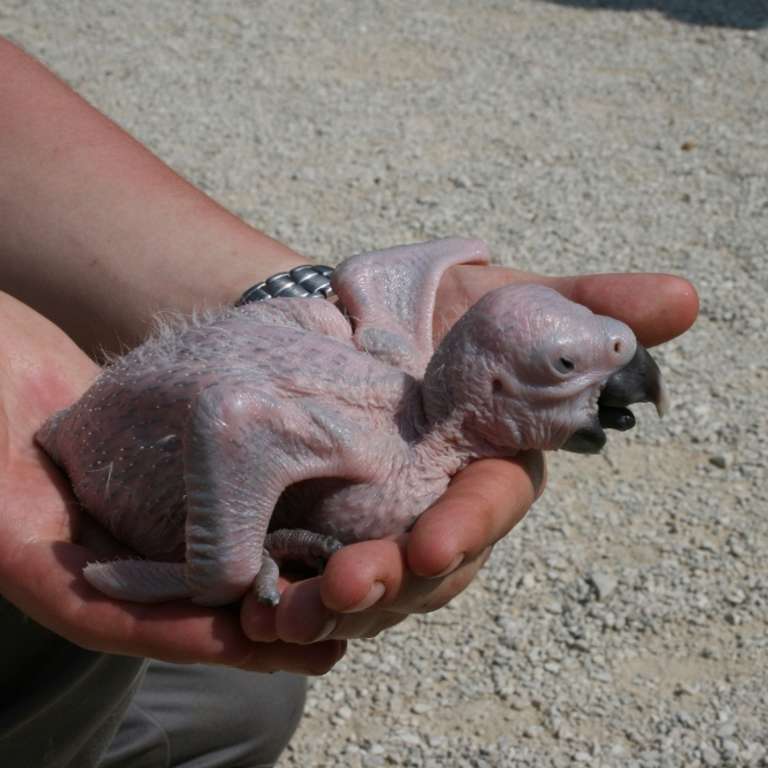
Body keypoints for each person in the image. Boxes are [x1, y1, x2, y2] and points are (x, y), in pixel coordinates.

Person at [0, 36, 698, 768]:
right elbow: (235, 417)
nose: (616, 375)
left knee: (246, 703)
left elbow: (364, 294)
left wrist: (290, 287)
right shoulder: (382, 449)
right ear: (489, 388)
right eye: (563, 366)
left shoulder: (399, 365)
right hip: (103, 474)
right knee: (195, 649)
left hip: (129, 421)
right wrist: (222, 569)